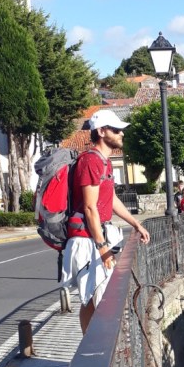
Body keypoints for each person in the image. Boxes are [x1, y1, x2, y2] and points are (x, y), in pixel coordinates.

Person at [61, 108, 150, 334]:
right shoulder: (91, 161)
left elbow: (110, 200)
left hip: (95, 237)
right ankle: (98, 346)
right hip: (87, 240)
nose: (122, 133)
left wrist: (135, 223)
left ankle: (91, 344)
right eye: (116, 130)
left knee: (92, 298)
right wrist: (102, 248)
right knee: (99, 299)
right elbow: (90, 207)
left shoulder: (105, 162)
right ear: (101, 132)